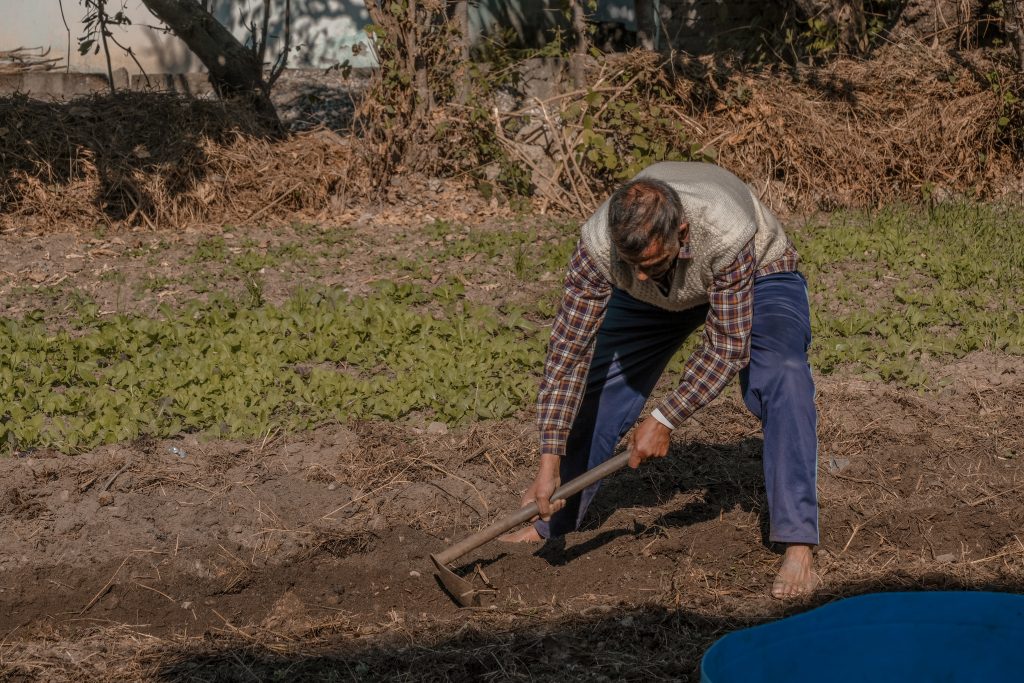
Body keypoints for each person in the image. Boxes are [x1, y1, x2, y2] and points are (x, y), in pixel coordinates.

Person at [500, 162, 820, 598]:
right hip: (656, 301)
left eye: (650, 261)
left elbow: (728, 344)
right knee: (601, 386)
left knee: (784, 374)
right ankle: (550, 520)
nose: (643, 274)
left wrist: (665, 418)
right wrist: (548, 461)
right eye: (634, 264)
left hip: (757, 276)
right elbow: (566, 354)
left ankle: (798, 542)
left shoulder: (726, 229)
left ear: (681, 232)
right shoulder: (599, 245)